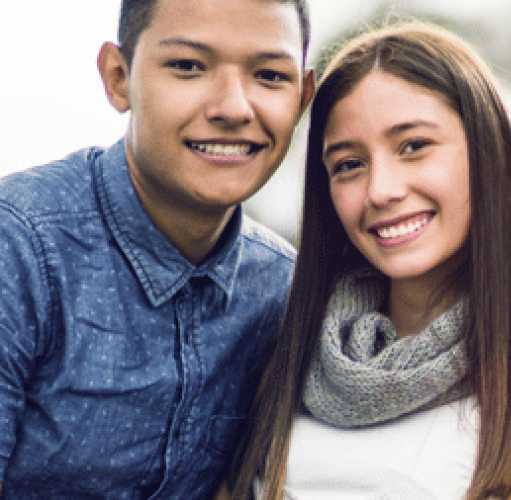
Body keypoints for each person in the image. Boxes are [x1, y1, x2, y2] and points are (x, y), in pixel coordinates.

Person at [221, 23, 511, 500]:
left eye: (414, 146)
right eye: (348, 164)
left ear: (487, 151)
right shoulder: (283, 341)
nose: (381, 190)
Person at [0, 0, 314, 497]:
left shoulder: (283, 290)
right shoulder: (19, 247)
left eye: (270, 75)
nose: (233, 108)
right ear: (118, 78)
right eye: (188, 66)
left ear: (303, 96)